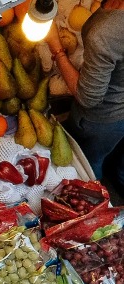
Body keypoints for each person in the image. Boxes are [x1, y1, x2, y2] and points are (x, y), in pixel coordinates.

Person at [46, 2, 124, 189]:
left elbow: (88, 97)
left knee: (88, 164)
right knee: (118, 160)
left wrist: (56, 49)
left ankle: (92, 192)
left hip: (103, 119)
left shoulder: (107, 32)